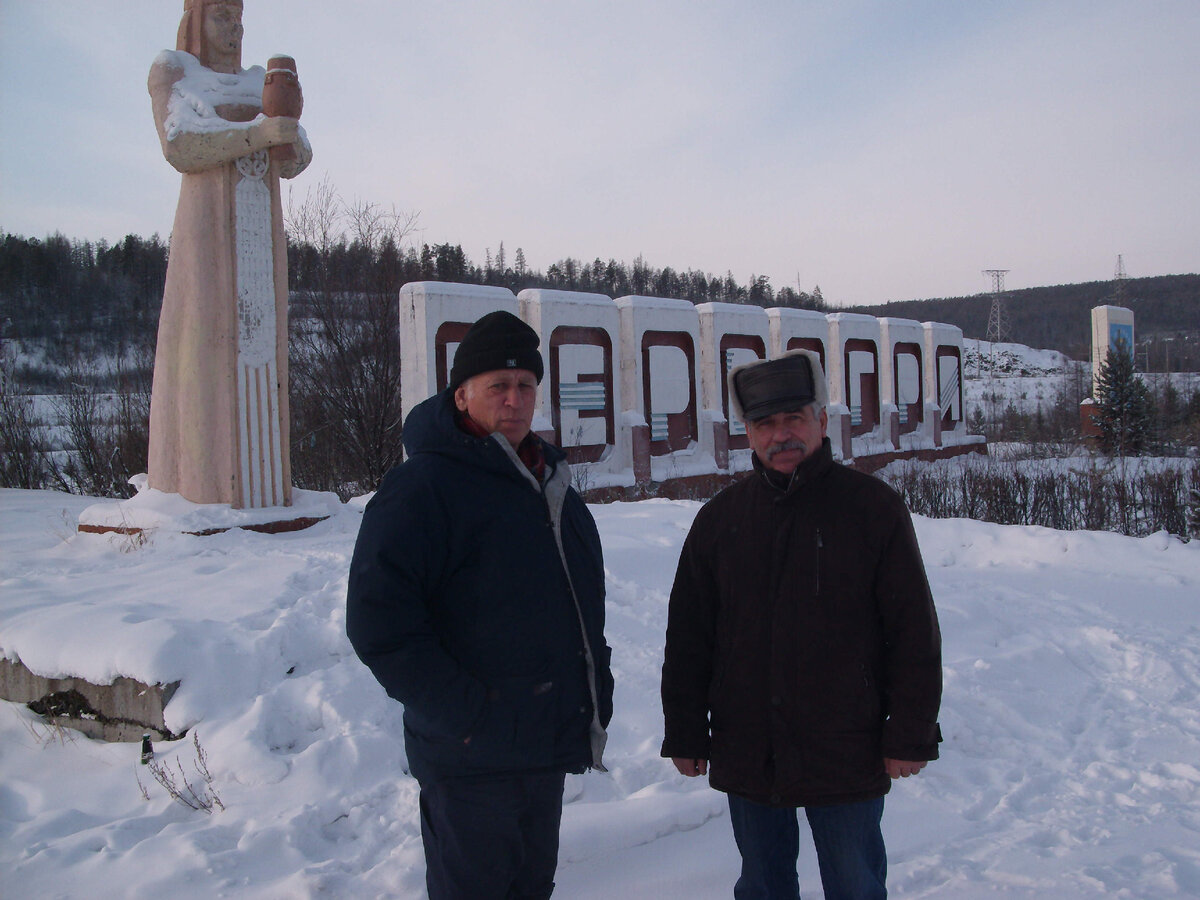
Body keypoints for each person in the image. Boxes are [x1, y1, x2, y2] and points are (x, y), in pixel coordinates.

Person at [347, 310, 614, 900]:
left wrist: (593, 690)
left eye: (525, 386)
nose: (514, 400)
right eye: (498, 386)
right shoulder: (423, 489)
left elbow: (579, 605)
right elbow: (379, 625)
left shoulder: (552, 486)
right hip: (471, 762)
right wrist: (468, 715)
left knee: (530, 889)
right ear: (463, 395)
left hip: (541, 748)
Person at [660, 349, 942, 900]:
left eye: (794, 419)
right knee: (763, 883)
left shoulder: (872, 509)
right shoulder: (721, 520)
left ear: (820, 421)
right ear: (747, 432)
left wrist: (910, 732)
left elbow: (913, 631)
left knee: (854, 882)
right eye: (765, 423)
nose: (781, 434)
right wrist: (686, 730)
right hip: (748, 744)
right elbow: (690, 636)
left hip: (847, 744)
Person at [147, 0, 311, 507]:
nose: (234, 25)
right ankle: (201, 489)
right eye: (220, 13)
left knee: (263, 355)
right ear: (197, 17)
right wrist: (257, 134)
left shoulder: (261, 80)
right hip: (205, 234)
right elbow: (180, 145)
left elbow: (295, 155)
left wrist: (288, 139)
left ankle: (263, 489)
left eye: (238, 14)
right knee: (201, 348)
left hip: (259, 236)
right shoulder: (174, 71)